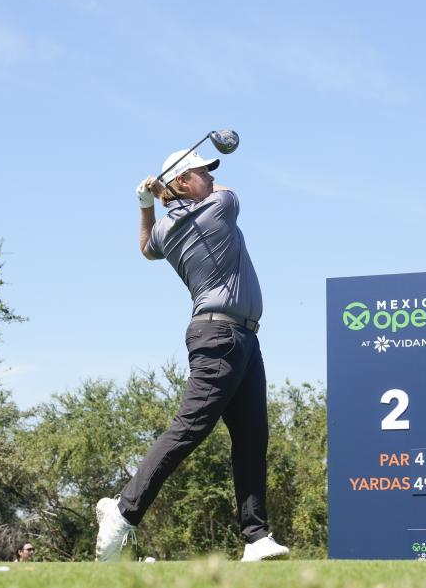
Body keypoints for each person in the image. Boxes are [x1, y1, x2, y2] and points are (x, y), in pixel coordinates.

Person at [95, 148, 288, 563]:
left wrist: (147, 204)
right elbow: (229, 191)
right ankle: (124, 511)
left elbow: (146, 247)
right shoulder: (219, 207)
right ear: (184, 182)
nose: (213, 178)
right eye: (203, 172)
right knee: (190, 429)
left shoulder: (167, 228)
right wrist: (165, 191)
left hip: (239, 338)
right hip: (221, 334)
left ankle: (256, 537)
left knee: (252, 438)